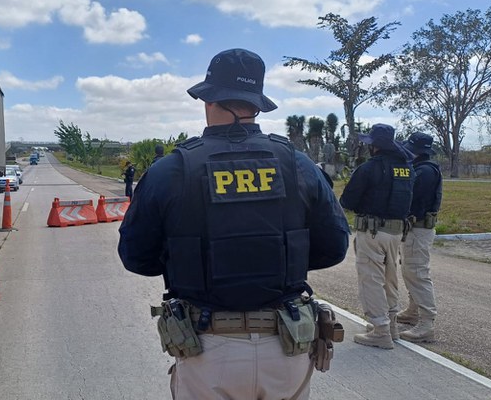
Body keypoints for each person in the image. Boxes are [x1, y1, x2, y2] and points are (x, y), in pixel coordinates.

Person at [118, 48, 349, 399]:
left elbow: (136, 257)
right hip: (287, 347)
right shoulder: (298, 165)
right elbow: (334, 248)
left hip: (207, 350)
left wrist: (189, 261)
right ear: (257, 103)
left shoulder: (170, 170)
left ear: (208, 98)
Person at [339, 123, 414, 350]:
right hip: (396, 232)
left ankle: (380, 330)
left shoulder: (369, 168)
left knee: (371, 280)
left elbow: (347, 201)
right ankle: (391, 326)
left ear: (375, 146)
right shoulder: (406, 168)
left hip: (372, 232)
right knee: (390, 279)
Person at [398, 132, 442, 342]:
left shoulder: (424, 172)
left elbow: (413, 201)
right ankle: (413, 311)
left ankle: (426, 323)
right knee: (410, 271)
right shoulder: (422, 169)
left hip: (418, 228)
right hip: (415, 228)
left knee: (417, 272)